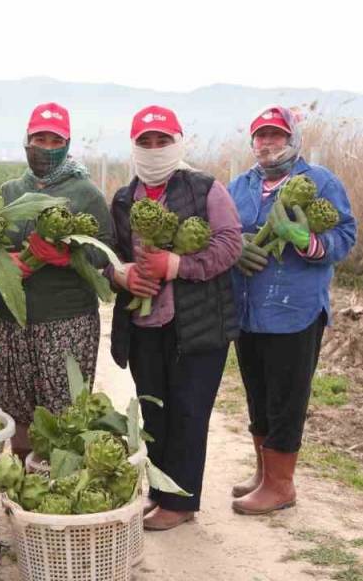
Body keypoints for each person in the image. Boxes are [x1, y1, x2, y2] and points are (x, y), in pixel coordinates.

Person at [107, 105, 242, 531]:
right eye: (144, 142)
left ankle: (181, 501)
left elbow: (229, 245)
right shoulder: (125, 198)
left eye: (162, 141)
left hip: (196, 328)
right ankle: (160, 490)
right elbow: (110, 256)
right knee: (156, 413)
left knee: (188, 412)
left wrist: (177, 265)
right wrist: (121, 275)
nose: (153, 149)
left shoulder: (205, 189)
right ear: (133, 147)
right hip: (145, 327)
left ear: (178, 141)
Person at [227, 106, 356, 515]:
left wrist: (306, 240)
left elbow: (345, 234)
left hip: (295, 309)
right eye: (261, 136)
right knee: (258, 393)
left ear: (293, 139)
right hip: (249, 310)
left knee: (286, 397)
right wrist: (235, 250)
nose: (267, 143)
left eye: (276, 135)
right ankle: (264, 473)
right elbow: (223, 233)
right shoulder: (241, 185)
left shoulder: (319, 182)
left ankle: (281, 485)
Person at [0, 103, 113, 463]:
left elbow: (106, 251)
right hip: (12, 316)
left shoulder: (86, 193)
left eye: (54, 139)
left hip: (66, 319)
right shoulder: (10, 191)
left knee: (63, 409)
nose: (45, 147)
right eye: (38, 139)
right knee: (17, 403)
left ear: (68, 142)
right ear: (26, 141)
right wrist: (5, 263)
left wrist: (68, 255)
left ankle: (57, 481)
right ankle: (24, 475)